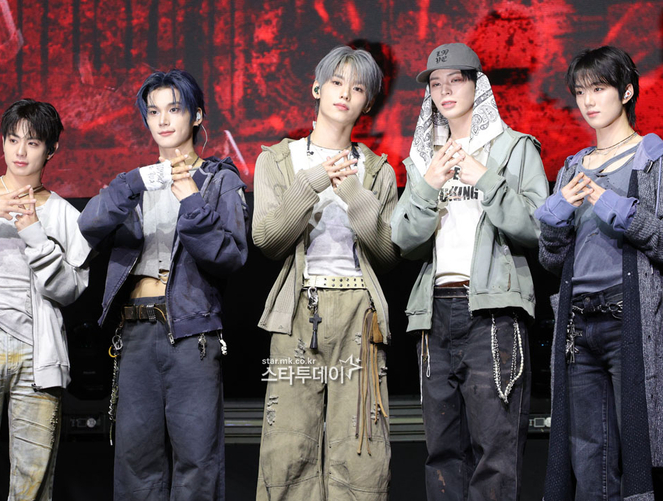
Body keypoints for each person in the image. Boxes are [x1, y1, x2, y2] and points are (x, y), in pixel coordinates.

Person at [77, 69, 249, 500]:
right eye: (153, 112)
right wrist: (136, 181)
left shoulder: (219, 181)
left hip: (192, 334)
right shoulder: (135, 183)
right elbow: (89, 222)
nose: (163, 120)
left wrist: (191, 200)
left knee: (197, 461)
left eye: (174, 109)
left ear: (197, 115)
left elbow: (230, 256)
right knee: (135, 463)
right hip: (135, 333)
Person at [390, 43, 549, 500]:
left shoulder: (513, 148)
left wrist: (486, 178)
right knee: (442, 453)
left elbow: (539, 228)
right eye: (436, 84)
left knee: (495, 453)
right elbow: (403, 240)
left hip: (492, 312)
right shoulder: (424, 157)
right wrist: (428, 185)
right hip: (433, 314)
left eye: (455, 80)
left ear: (478, 86)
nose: (444, 91)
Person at [253, 45, 399, 500]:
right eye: (336, 82)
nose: (345, 93)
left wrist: (354, 193)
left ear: (367, 103)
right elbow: (268, 239)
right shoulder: (278, 159)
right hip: (298, 311)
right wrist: (312, 182)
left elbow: (388, 253)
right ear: (317, 88)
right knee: (288, 445)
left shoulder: (377, 170)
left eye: (358, 88)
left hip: (359, 314)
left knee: (360, 446)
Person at [537, 46, 663, 500]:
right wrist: (553, 224)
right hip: (577, 324)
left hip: (629, 318)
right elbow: (553, 262)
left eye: (600, 88)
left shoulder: (652, 158)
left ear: (626, 92)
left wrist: (621, 211)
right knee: (588, 457)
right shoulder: (572, 167)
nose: (588, 101)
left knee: (638, 447)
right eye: (580, 92)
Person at [0, 99, 91, 500]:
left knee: (32, 481)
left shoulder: (65, 215)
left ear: (51, 150)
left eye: (33, 142)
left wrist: (35, 234)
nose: (21, 151)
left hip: (37, 353)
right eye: (13, 139)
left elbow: (70, 290)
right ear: (2, 142)